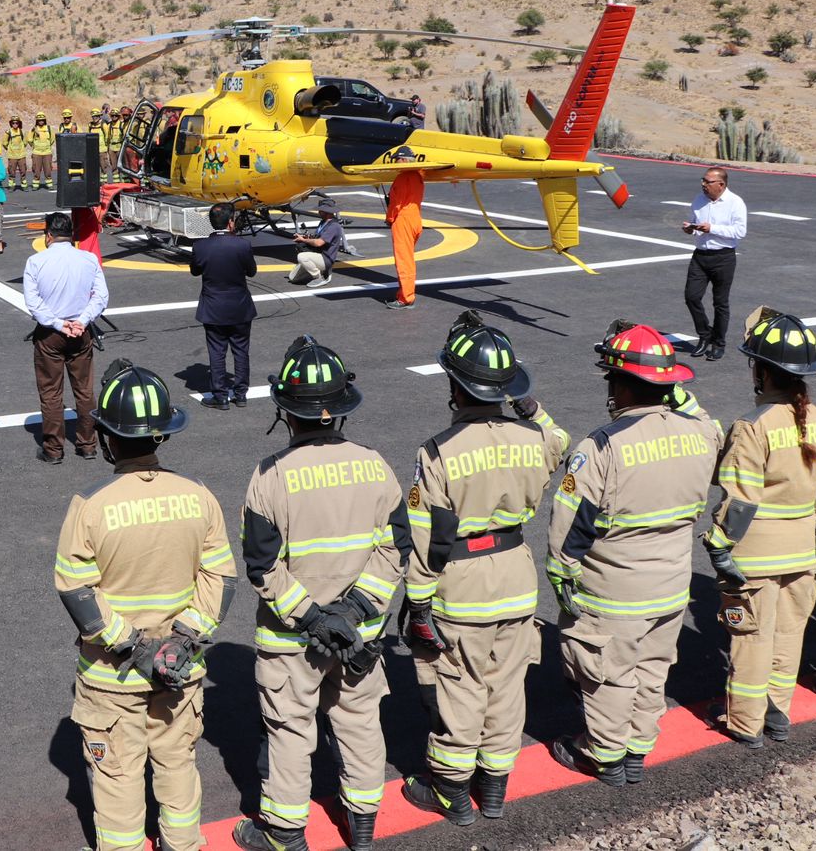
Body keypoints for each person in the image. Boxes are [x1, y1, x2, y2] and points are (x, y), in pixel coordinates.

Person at [54, 360, 234, 851]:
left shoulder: (90, 503)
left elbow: (76, 591)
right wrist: (180, 643)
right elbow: (221, 578)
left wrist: (132, 646)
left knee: (116, 780)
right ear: (162, 436)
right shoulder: (199, 497)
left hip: (113, 677)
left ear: (109, 435)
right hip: (180, 671)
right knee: (178, 769)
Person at [234, 338, 404, 851]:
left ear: (286, 412)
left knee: (290, 731)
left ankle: (286, 834)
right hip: (360, 639)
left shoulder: (270, 475)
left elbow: (262, 566)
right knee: (360, 723)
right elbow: (395, 550)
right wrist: (353, 612)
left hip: (293, 642)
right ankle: (363, 827)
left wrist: (313, 619)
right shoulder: (376, 466)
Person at [402, 310, 565, 825]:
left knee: (460, 686)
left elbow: (426, 538)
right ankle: (493, 791)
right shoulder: (535, 439)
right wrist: (529, 405)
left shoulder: (438, 453)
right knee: (506, 685)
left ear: (455, 386)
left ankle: (450, 792)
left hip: (462, 582)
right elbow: (557, 438)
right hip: (516, 579)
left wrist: (418, 601)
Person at [545, 322, 722, 785]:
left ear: (623, 384)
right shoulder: (701, 433)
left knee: (608, 673)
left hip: (615, 590)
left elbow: (569, 531)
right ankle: (639, 748)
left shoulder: (601, 447)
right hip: (672, 583)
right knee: (653, 667)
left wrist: (563, 581)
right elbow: (702, 418)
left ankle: (603, 753)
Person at [706, 308, 816, 747]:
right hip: (801, 548)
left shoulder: (753, 425)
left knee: (750, 637)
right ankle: (778, 713)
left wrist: (720, 545)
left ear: (762, 371)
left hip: (756, 552)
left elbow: (741, 499)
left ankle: (746, 722)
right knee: (788, 633)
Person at [22, 212, 109, 464]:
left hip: (50, 333)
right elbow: (101, 297)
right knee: (84, 390)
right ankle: (88, 444)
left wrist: (59, 323)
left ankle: (53, 449)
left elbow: (33, 302)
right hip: (81, 332)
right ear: (71, 234)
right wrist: (81, 321)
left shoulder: (36, 262)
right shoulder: (88, 258)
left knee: (51, 392)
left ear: (48, 235)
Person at [189, 202, 256, 410]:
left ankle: (220, 395)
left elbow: (195, 271)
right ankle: (241, 393)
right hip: (239, 305)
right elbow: (251, 271)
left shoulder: (200, 246)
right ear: (230, 222)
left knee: (217, 351)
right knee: (241, 350)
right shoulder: (242, 245)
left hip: (213, 306)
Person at [682, 166, 748, 361]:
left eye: (708, 182)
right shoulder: (699, 200)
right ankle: (704, 335)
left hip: (724, 258)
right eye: (703, 180)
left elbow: (739, 232)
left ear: (721, 184)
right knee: (691, 297)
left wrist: (713, 228)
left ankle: (719, 343)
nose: (703, 184)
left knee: (720, 303)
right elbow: (696, 225)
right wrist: (691, 229)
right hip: (700, 256)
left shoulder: (735, 203)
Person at [384, 146, 423, 309]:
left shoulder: (401, 178)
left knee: (403, 260)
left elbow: (397, 203)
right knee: (408, 259)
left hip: (403, 221)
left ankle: (406, 298)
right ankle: (404, 293)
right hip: (416, 218)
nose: (395, 163)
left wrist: (389, 218)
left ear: (404, 160)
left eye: (397, 159)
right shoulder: (419, 174)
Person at [288, 199, 346, 288]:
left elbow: (318, 243)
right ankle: (320, 270)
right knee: (292, 278)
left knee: (302, 257)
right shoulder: (323, 222)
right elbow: (317, 238)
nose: (319, 212)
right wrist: (305, 237)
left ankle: (320, 277)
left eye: (321, 210)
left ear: (326, 211)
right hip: (318, 255)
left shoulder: (334, 226)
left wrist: (303, 240)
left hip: (325, 258)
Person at [29, 111, 55, 189]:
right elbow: (29, 139)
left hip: (47, 153)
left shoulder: (49, 128)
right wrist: (35, 146)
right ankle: (36, 185)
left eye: (42, 120)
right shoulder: (33, 129)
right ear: (37, 121)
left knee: (48, 170)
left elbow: (52, 139)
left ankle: (49, 184)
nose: (41, 121)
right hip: (37, 153)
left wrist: (47, 146)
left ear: (45, 120)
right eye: (39, 120)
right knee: (36, 170)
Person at [3, 115, 29, 191]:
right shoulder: (8, 132)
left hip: (21, 155)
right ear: (11, 123)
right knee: (11, 172)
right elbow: (4, 143)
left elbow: (25, 142)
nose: (15, 124)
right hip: (12, 156)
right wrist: (10, 149)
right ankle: (11, 186)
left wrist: (20, 149)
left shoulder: (22, 131)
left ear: (19, 123)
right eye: (13, 123)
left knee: (23, 171)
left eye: (16, 123)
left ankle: (24, 186)